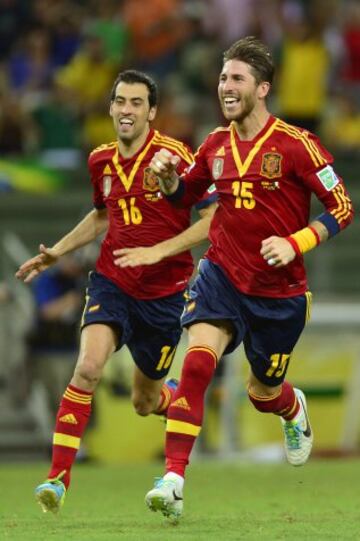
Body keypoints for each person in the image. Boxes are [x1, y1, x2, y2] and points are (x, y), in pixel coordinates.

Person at [143, 36, 354, 521]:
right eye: (222, 78)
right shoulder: (214, 145)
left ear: (263, 88)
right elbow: (182, 196)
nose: (225, 87)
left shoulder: (296, 144)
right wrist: (167, 177)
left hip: (279, 294)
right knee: (197, 364)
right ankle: (174, 478)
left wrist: (295, 242)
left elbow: (342, 207)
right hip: (221, 275)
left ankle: (289, 407)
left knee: (263, 392)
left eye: (236, 78)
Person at [16, 69, 216, 514]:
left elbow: (210, 220)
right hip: (112, 283)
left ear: (152, 112)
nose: (127, 111)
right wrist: (58, 252)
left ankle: (176, 401)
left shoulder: (174, 156)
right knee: (87, 368)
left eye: (137, 103)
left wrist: (157, 251)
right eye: (120, 102)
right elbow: (102, 216)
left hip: (165, 294)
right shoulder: (100, 160)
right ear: (110, 107)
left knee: (145, 402)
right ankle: (57, 480)